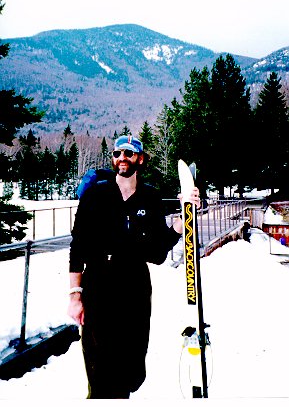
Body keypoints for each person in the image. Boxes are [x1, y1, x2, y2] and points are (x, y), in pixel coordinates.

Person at [68, 135, 200, 399]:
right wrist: (75, 295)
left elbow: (157, 252)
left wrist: (182, 218)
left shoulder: (150, 197)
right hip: (99, 286)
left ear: (140, 159)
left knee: (131, 367)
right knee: (100, 366)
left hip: (135, 287)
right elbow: (78, 247)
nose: (122, 158)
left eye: (129, 153)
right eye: (117, 153)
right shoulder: (95, 195)